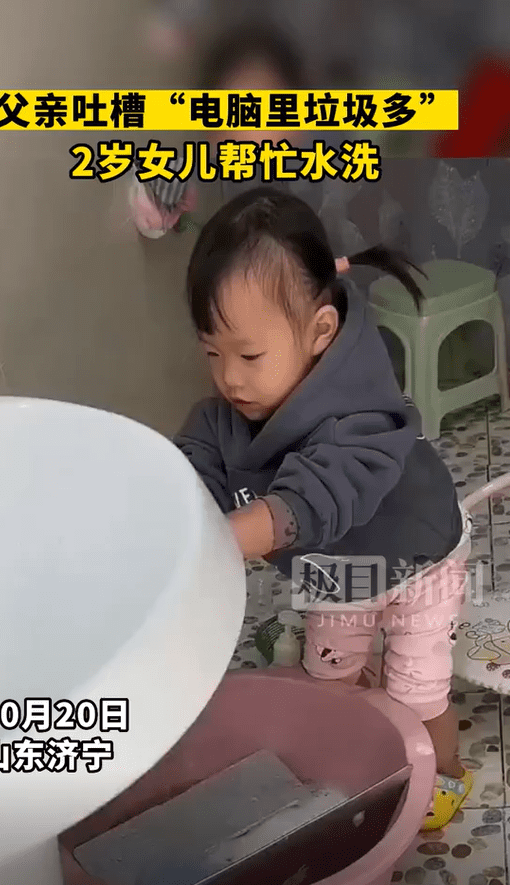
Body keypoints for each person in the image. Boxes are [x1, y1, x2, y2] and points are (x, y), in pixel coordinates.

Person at [172, 185, 473, 831]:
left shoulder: (362, 413)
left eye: (249, 354)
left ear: (319, 332)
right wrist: (170, 499)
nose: (229, 377)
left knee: (416, 690)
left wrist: (214, 541)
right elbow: (192, 463)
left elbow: (314, 499)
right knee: (330, 681)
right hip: (338, 574)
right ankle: (358, 754)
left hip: (418, 561)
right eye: (212, 352)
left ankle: (445, 773)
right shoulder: (228, 412)